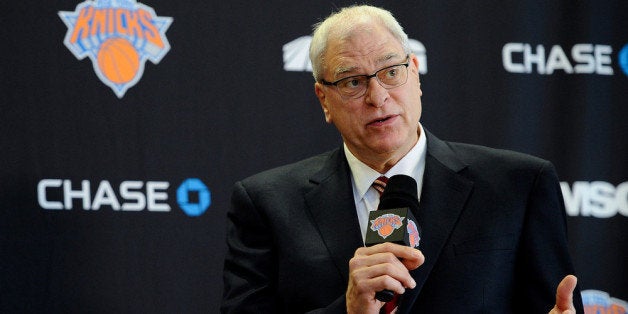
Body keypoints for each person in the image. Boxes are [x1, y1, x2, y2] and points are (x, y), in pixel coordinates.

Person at [222, 5, 584, 314]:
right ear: (323, 99)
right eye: (352, 82)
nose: (378, 97)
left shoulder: (518, 185)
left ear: (415, 72)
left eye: (391, 72)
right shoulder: (267, 203)